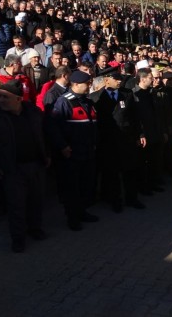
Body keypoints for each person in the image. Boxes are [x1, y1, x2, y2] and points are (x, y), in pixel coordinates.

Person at [0, 80, 48, 253]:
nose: (0, 100)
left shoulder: (32, 112)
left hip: (35, 165)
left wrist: (46, 155)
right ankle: (18, 239)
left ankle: (35, 229)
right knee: (16, 205)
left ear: (18, 99)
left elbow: (44, 134)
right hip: (12, 169)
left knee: (36, 200)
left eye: (5, 97)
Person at [89, 68, 146, 213]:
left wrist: (140, 134)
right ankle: (115, 200)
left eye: (120, 78)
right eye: (116, 78)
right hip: (108, 141)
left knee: (130, 170)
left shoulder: (127, 94)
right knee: (112, 173)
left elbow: (135, 116)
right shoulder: (95, 97)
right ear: (106, 79)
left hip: (127, 139)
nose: (119, 81)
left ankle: (131, 198)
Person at [50, 70, 100, 231]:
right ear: (76, 84)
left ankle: (82, 212)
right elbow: (54, 127)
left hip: (88, 152)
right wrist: (63, 146)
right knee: (72, 188)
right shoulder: (63, 102)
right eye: (87, 83)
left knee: (86, 185)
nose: (89, 86)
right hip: (72, 153)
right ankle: (72, 218)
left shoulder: (88, 101)